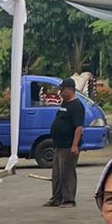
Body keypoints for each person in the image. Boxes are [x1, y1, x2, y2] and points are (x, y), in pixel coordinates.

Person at [45, 78, 85, 207]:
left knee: (67, 173)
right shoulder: (64, 104)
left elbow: (79, 127)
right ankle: (56, 198)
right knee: (57, 174)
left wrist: (74, 145)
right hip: (59, 145)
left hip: (69, 145)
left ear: (70, 89)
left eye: (63, 89)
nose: (61, 92)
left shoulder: (77, 105)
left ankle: (69, 200)